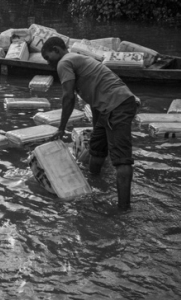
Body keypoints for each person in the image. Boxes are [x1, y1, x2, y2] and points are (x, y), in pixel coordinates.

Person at [40, 36, 139, 211]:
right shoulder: (78, 60)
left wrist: (61, 128)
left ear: (56, 50)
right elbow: (94, 99)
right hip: (110, 107)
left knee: (122, 160)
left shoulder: (64, 62)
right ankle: (94, 184)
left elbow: (68, 97)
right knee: (97, 148)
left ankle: (124, 210)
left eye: (48, 58)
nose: (48, 63)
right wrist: (97, 129)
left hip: (117, 105)